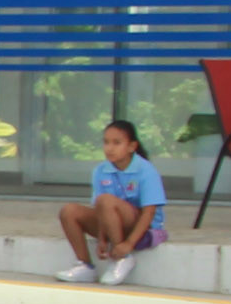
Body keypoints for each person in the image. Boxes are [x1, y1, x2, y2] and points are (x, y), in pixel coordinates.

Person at [60, 119, 167, 284]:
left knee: (106, 200)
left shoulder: (145, 170)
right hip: (111, 223)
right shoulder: (101, 170)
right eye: (106, 142)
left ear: (132, 146)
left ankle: (122, 258)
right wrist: (102, 239)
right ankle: (85, 266)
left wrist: (128, 244)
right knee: (69, 211)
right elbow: (101, 208)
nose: (110, 148)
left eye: (117, 143)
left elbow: (149, 212)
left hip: (139, 226)